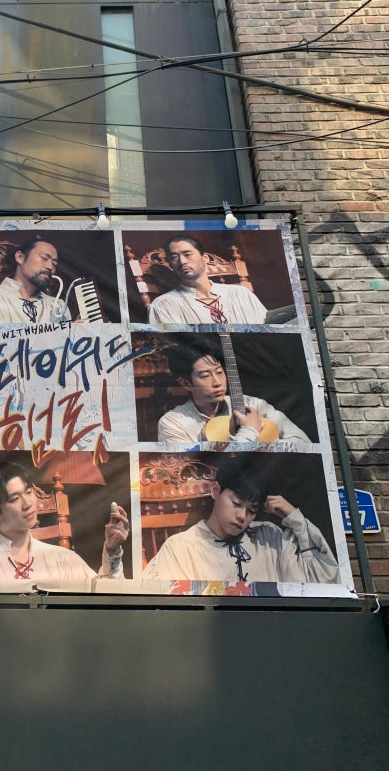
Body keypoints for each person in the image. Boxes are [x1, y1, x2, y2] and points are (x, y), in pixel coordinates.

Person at [142, 458, 339, 584]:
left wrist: (294, 518)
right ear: (215, 491)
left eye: (252, 510)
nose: (242, 516)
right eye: (236, 503)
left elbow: (321, 578)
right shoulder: (181, 548)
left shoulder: (269, 537)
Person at [0, 461, 129, 582]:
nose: (28, 503)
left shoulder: (60, 558)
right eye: (15, 499)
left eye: (29, 492)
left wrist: (112, 550)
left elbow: (105, 598)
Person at [157, 341, 311, 449]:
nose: (217, 382)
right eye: (205, 376)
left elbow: (303, 442)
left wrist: (262, 448)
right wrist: (250, 431)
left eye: (219, 372)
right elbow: (201, 467)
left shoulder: (252, 404)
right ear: (186, 383)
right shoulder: (173, 424)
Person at [147, 235, 267, 325]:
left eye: (187, 254)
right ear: (171, 265)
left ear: (204, 258)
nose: (182, 261)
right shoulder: (163, 305)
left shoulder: (240, 294)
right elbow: (169, 347)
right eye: (174, 257)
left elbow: (268, 332)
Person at [0, 237, 63, 324]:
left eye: (54, 264)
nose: (50, 267)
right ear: (20, 257)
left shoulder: (57, 306)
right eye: (44, 258)